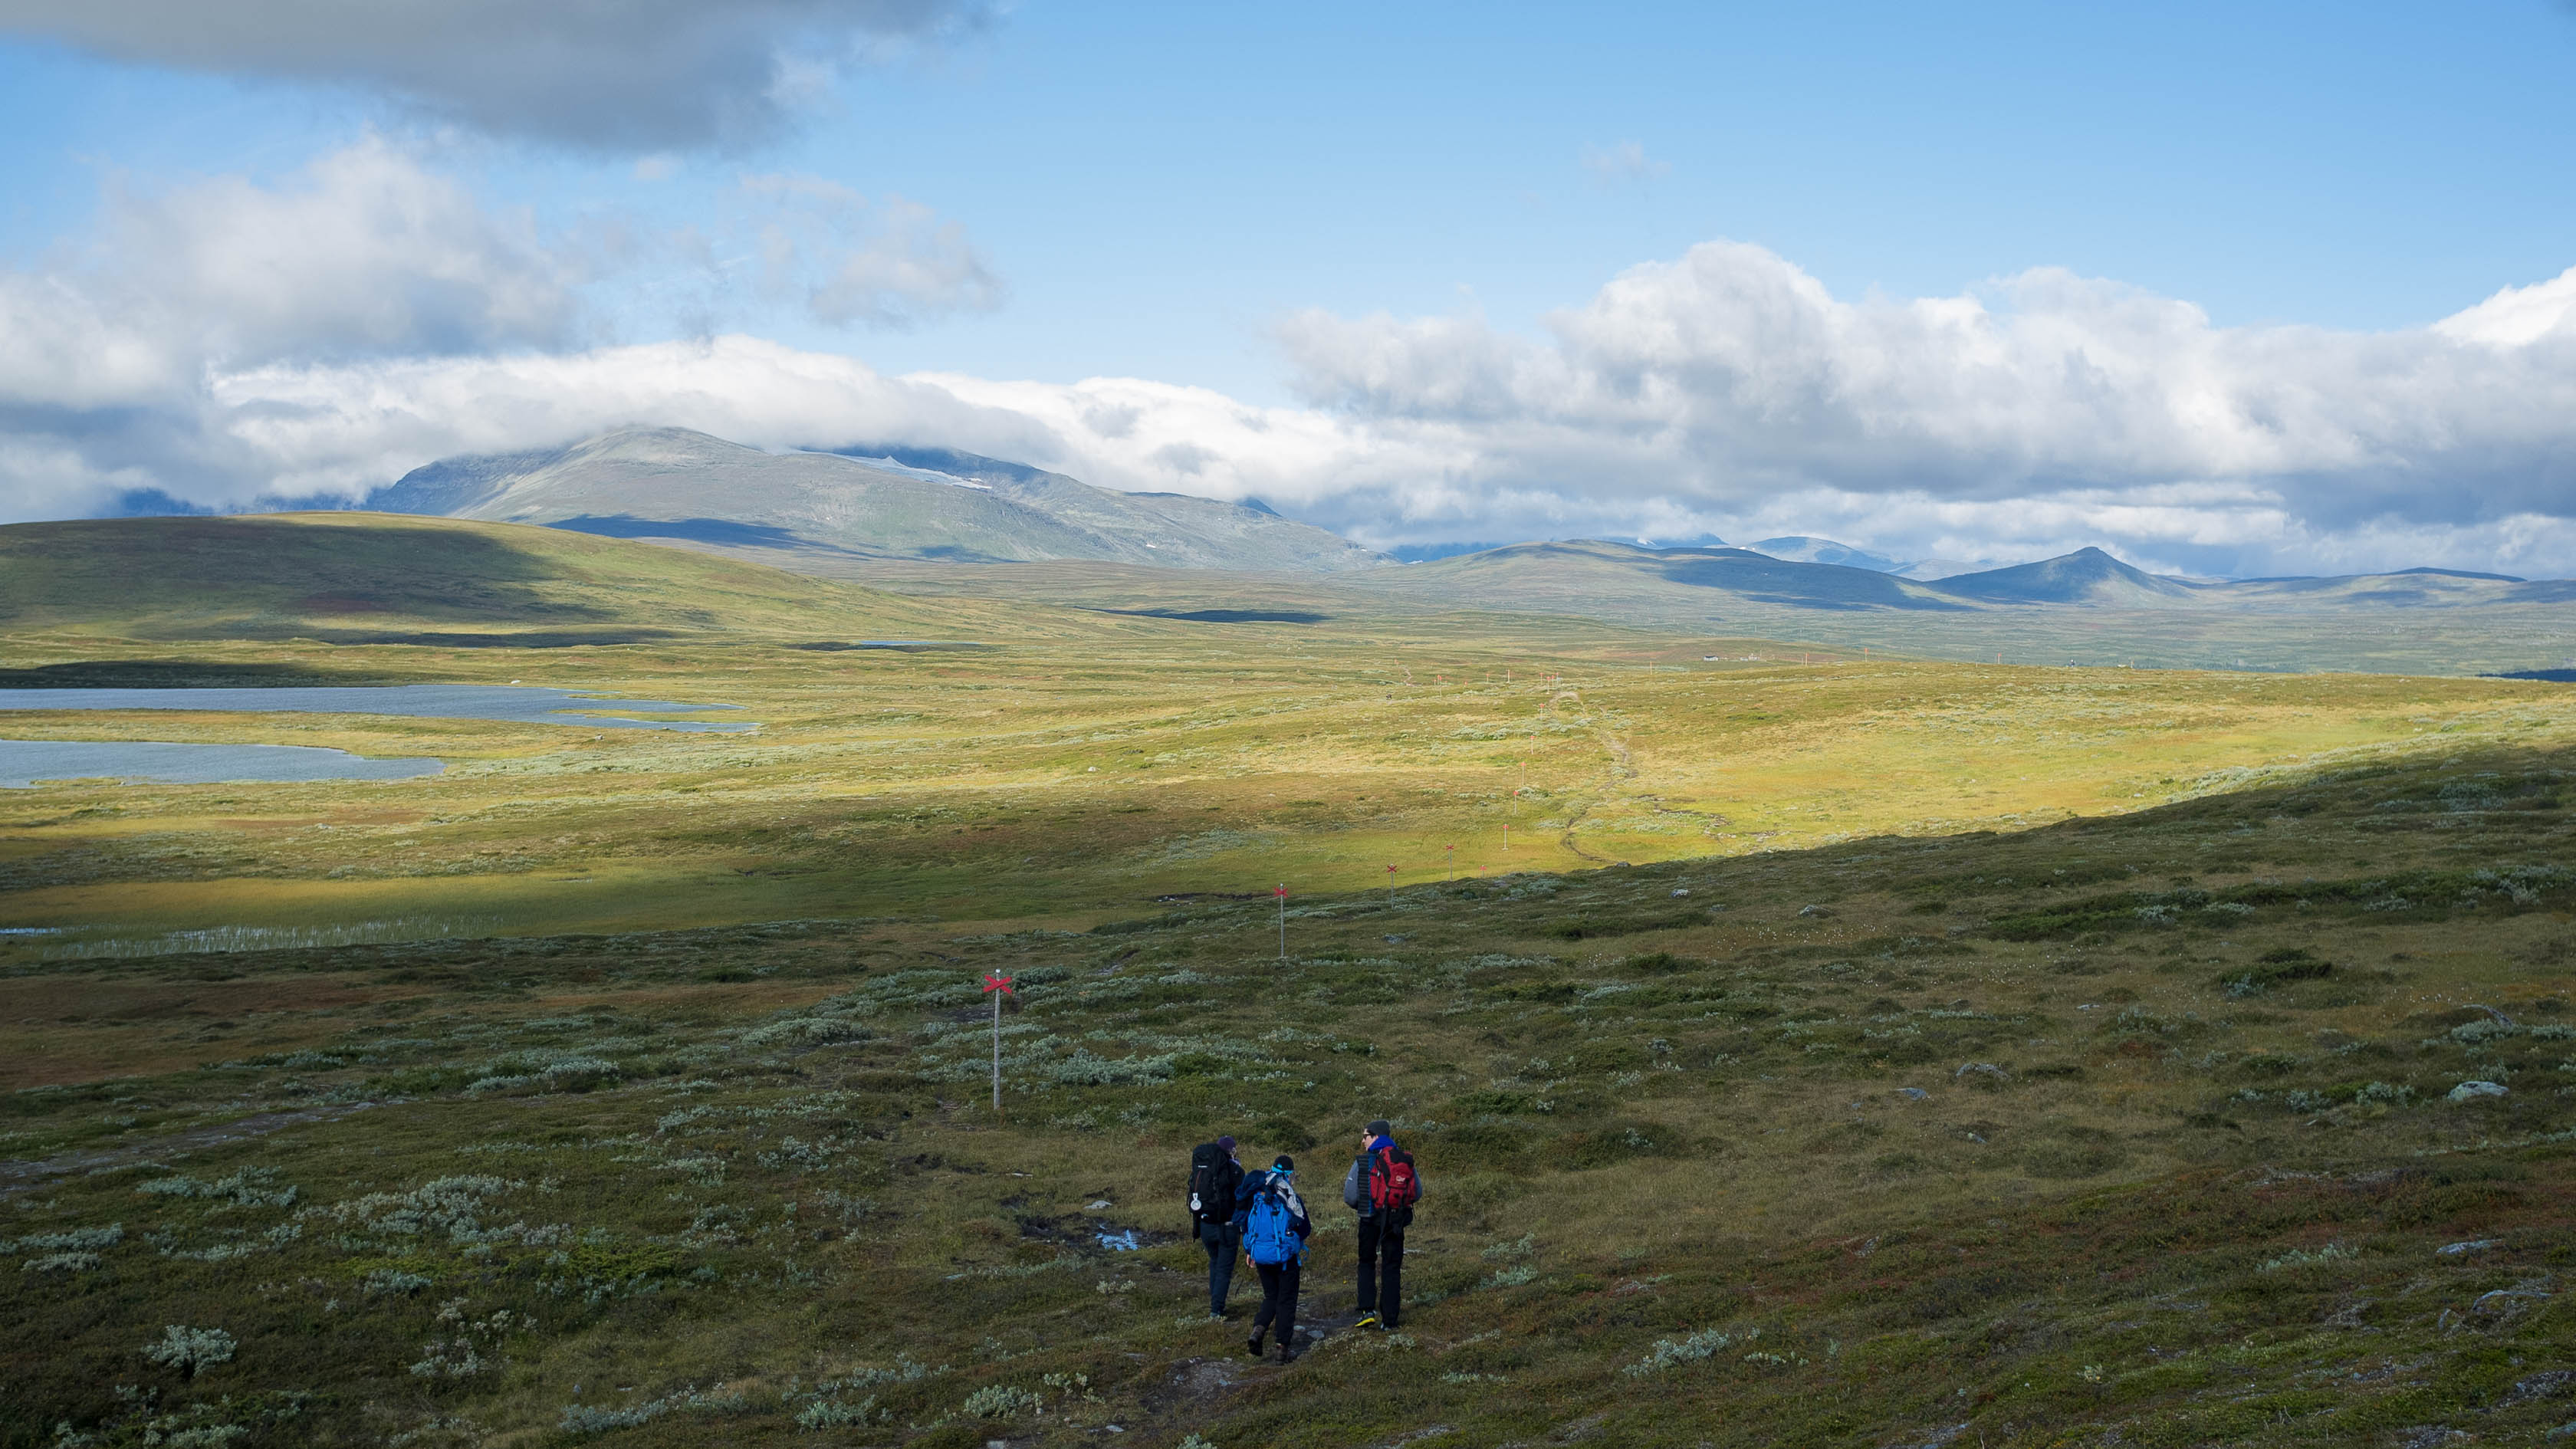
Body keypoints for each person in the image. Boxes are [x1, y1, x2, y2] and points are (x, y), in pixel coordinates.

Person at [1342, 1118, 1421, 1330]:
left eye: (1366, 1136)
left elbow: (1349, 1197)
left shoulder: (1363, 1161)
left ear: (1376, 1136)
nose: (1363, 1141)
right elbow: (1417, 1192)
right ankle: (1390, 1320)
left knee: (1366, 1262)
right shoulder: (1404, 1159)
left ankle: (1368, 1311)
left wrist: (1365, 1205)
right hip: (1395, 1222)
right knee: (1391, 1268)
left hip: (1369, 1219)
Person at [1234, 1154, 1313, 1363]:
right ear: (1288, 1173)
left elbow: (1246, 1223)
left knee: (1271, 1296)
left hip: (1260, 1255)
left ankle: (1257, 1332)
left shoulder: (1256, 1192)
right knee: (1286, 1301)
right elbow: (1305, 1227)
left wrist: (1250, 1251)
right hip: (1286, 1258)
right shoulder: (1288, 1193)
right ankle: (1281, 1349)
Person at [1186, 1135, 1247, 1317]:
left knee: (1214, 1263)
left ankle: (1216, 1302)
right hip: (1227, 1228)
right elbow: (1242, 1199)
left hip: (1205, 1225)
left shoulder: (1202, 1168)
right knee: (1223, 1269)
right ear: (1231, 1151)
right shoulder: (1235, 1171)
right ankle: (1216, 1310)